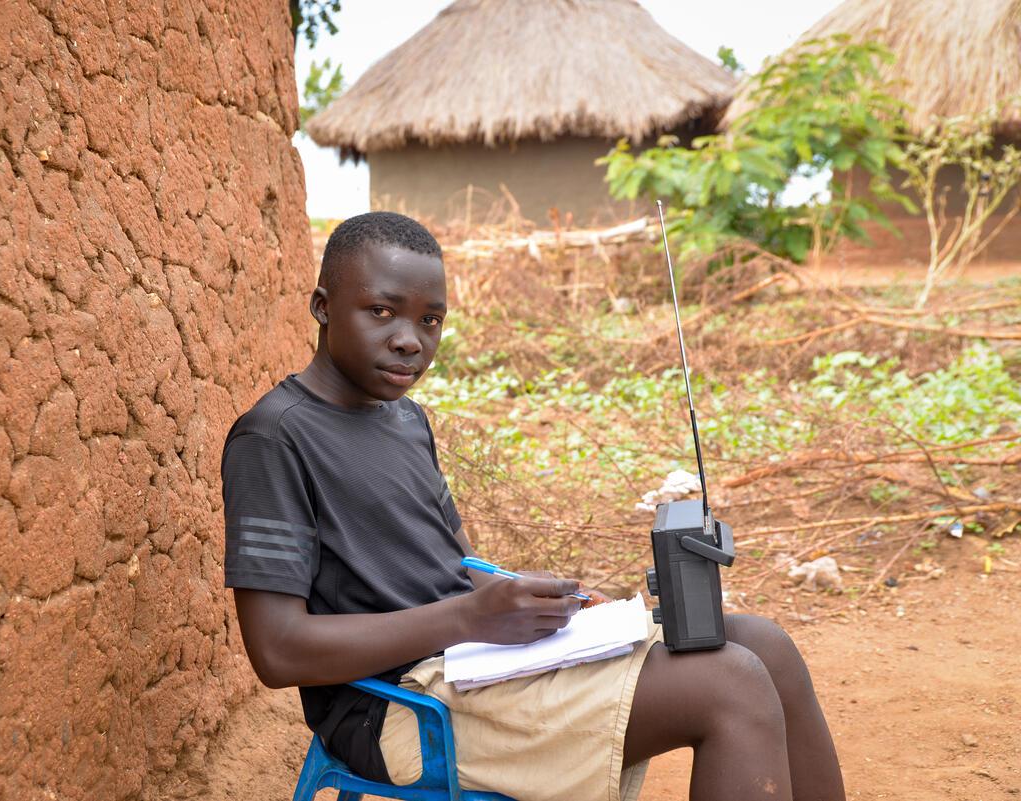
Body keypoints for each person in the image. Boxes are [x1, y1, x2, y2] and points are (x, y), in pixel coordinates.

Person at [222, 211, 845, 801]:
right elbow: (278, 651)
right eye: (381, 312)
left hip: (471, 664)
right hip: (397, 705)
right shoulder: (275, 438)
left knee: (765, 645)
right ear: (322, 307)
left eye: (431, 320)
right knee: (731, 685)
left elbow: (457, 567)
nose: (410, 341)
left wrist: (543, 602)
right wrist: (469, 618)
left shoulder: (405, 420)